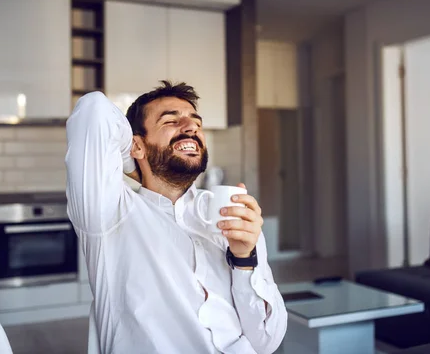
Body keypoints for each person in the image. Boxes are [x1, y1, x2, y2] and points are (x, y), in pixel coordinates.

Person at [65, 81, 288, 354]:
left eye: (196, 122)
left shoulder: (228, 212)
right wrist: (134, 161)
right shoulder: (111, 213)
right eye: (171, 120)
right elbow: (93, 110)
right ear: (135, 144)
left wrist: (244, 259)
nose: (191, 127)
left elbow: (266, 341)